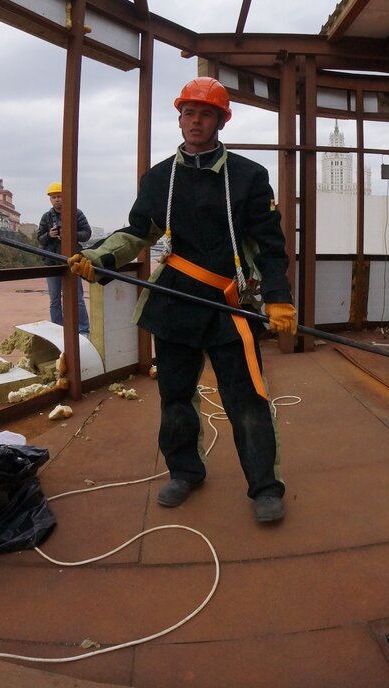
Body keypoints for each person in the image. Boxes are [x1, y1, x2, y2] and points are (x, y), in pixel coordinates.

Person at [68, 77, 297, 524]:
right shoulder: (158, 179)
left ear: (221, 121)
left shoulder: (249, 177)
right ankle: (185, 472)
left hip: (229, 304)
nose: (196, 121)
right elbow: (137, 232)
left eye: (206, 114)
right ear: (179, 119)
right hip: (174, 302)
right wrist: (99, 258)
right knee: (175, 396)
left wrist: (277, 298)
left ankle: (266, 488)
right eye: (189, 113)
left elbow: (271, 245)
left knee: (247, 400)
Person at [36, 181, 92, 335]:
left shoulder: (76, 213)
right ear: (50, 199)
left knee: (77, 298)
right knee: (54, 300)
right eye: (53, 197)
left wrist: (70, 234)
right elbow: (39, 238)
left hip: (72, 261)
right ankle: (58, 330)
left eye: (59, 196)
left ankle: (83, 330)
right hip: (52, 263)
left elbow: (87, 233)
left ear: (65, 197)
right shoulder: (46, 217)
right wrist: (49, 235)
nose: (57, 200)